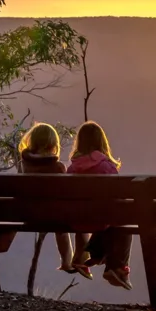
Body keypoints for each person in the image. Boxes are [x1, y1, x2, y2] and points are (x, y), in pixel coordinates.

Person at [66, 121, 133, 290]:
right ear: (102, 142)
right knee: (122, 218)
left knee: (109, 217)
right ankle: (116, 266)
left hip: (78, 221)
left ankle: (95, 254)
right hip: (102, 221)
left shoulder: (72, 168)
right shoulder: (106, 167)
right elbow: (118, 196)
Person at [12, 122, 77, 276]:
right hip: (54, 217)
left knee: (58, 218)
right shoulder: (58, 167)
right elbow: (66, 194)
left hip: (29, 216)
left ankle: (68, 261)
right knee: (62, 226)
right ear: (53, 144)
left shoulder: (23, 165)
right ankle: (67, 262)